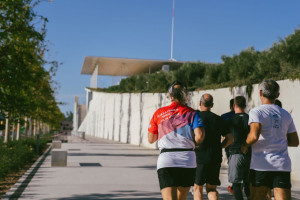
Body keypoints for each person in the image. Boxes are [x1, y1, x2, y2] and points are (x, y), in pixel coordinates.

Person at [241, 80, 299, 200]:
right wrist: (278, 139)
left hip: (261, 165)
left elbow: (253, 136)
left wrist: (245, 145)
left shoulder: (256, 112)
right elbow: (295, 141)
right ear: (277, 95)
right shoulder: (286, 114)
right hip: (282, 165)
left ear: (260, 93)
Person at [148, 80, 206, 200]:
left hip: (167, 159)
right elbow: (199, 136)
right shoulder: (193, 113)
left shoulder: (159, 113)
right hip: (187, 159)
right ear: (185, 95)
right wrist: (197, 143)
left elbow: (151, 139)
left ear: (170, 95)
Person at [194, 93, 233, 200]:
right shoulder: (219, 119)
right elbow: (230, 138)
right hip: (215, 157)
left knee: (198, 188)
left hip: (200, 158)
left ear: (200, 103)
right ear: (212, 105)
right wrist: (220, 146)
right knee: (211, 189)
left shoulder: (196, 118)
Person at [227, 96, 251, 200]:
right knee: (248, 183)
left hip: (235, 153)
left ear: (234, 106)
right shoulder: (250, 119)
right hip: (249, 154)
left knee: (236, 184)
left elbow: (227, 138)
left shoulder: (230, 120)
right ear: (245, 106)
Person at [221, 98, 235, 195]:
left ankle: (235, 185)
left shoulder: (224, 117)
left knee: (232, 163)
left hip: (229, 145)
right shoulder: (247, 116)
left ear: (230, 106)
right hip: (243, 145)